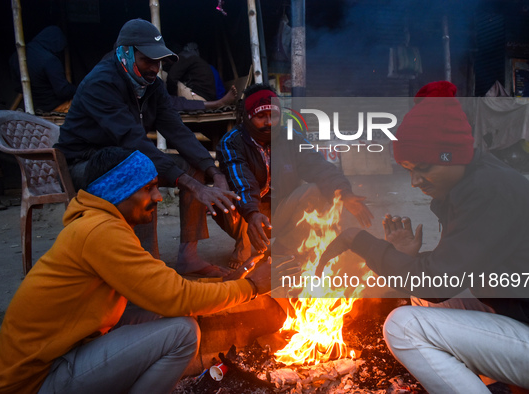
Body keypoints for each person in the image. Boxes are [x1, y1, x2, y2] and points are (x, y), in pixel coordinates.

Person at [316, 81, 529, 393]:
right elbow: (446, 276)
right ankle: (494, 385)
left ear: (454, 156)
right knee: (422, 300)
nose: (414, 181)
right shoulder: (470, 183)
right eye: (408, 169)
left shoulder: (490, 190)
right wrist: (409, 258)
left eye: (422, 168)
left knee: (403, 327)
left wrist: (358, 240)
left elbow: (437, 281)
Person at [0, 147, 271, 394]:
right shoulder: (100, 232)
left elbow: (163, 287)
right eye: (148, 188)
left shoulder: (99, 223)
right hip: (36, 382)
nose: (158, 197)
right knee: (183, 333)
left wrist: (234, 281)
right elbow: (178, 296)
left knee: (159, 313)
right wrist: (252, 288)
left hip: (66, 353)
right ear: (119, 191)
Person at [55, 19, 234, 277]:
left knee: (193, 165)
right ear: (125, 53)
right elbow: (133, 142)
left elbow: (177, 130)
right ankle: (147, 267)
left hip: (125, 158)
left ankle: (188, 257)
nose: (154, 68)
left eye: (158, 61)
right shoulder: (101, 83)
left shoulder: (152, 85)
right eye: (147, 60)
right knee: (142, 172)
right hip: (83, 165)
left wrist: (213, 173)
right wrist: (194, 187)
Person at [215, 84, 373, 268]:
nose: (268, 122)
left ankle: (283, 249)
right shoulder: (231, 142)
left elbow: (320, 167)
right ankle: (244, 246)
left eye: (273, 116)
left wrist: (344, 194)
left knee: (316, 190)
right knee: (237, 195)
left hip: (280, 211)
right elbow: (242, 182)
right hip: (244, 214)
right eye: (260, 117)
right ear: (248, 118)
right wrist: (252, 214)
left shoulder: (292, 137)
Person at [9, 25, 76, 113]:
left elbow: (19, 88)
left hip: (35, 107)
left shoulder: (15, 57)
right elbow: (62, 91)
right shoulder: (49, 60)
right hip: (59, 107)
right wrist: (79, 89)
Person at [163, 42, 237, 111]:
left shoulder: (183, 57)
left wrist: (172, 98)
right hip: (205, 99)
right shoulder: (196, 61)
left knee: (162, 74)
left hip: (197, 98)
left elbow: (171, 78)